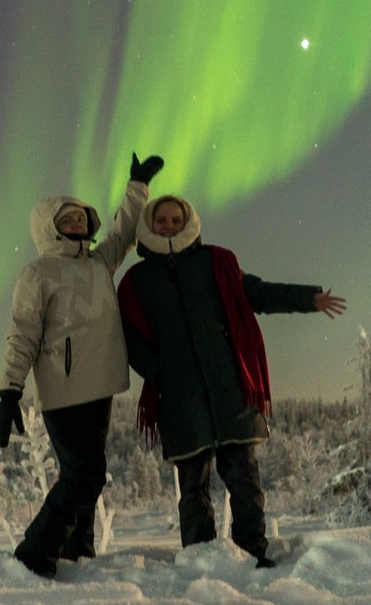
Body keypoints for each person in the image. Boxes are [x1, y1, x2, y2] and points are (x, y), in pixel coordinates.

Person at [117, 194, 345, 568]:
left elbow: (256, 292)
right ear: (149, 225)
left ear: (188, 222)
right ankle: (199, 560)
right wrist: (157, 370)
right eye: (162, 220)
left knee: (244, 480)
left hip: (230, 391)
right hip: (179, 398)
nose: (170, 226)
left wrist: (308, 298)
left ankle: (253, 552)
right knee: (192, 488)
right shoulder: (137, 281)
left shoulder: (216, 262)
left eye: (176, 219)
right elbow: (126, 335)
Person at [0, 152, 164, 578]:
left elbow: (123, 231)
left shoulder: (99, 262)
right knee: (85, 475)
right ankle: (34, 553)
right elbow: (23, 332)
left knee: (86, 475)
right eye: (67, 221)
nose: (77, 225)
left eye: (81, 219)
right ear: (49, 228)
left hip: (99, 386)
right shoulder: (38, 273)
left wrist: (137, 187)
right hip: (63, 391)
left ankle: (78, 554)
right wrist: (9, 392)